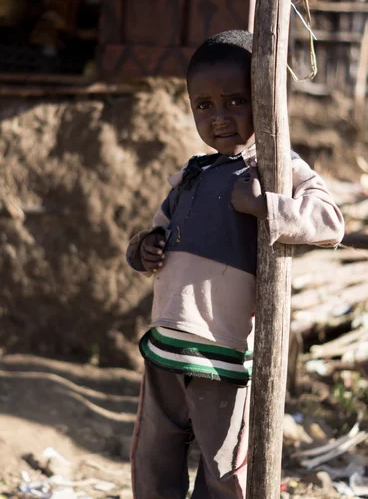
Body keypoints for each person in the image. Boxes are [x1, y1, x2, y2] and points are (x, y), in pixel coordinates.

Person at [126, 30, 344, 499]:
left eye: (235, 101)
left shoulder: (274, 165)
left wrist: (267, 205)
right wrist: (142, 249)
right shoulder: (192, 173)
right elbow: (151, 235)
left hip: (223, 355)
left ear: (264, 100)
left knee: (223, 469)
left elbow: (330, 221)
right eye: (203, 105)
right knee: (153, 458)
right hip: (165, 347)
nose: (219, 117)